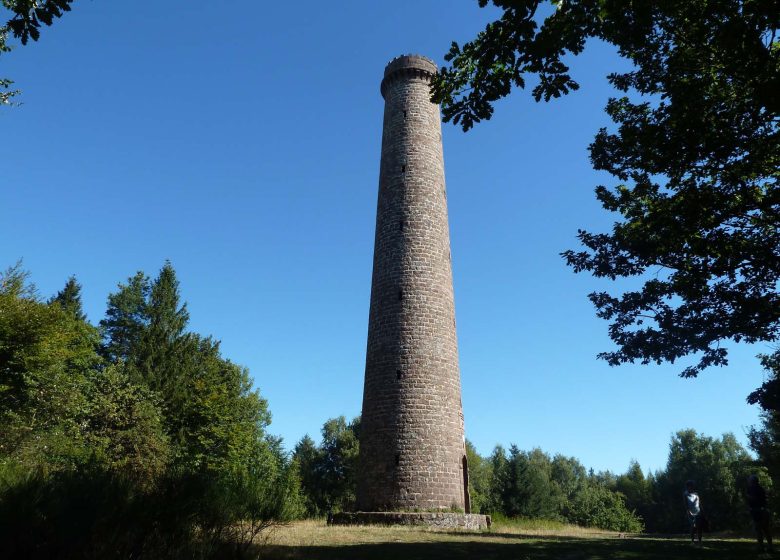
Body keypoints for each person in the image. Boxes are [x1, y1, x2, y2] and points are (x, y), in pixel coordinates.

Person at [747, 474, 773, 553]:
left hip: (758, 511)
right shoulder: (760, 488)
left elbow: (753, 499)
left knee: (759, 530)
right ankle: (770, 547)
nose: (748, 480)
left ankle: (761, 547)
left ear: (752, 481)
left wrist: (750, 501)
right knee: (766, 530)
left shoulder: (752, 488)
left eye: (749, 479)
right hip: (764, 510)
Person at [684, 480, 702, 544]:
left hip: (698, 512)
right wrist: (689, 512)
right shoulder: (685, 494)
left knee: (699, 526)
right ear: (688, 486)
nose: (692, 487)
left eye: (692, 486)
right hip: (690, 513)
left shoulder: (696, 493)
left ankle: (699, 541)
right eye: (690, 486)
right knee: (693, 526)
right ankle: (692, 541)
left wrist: (702, 510)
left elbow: (699, 503)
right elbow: (686, 504)